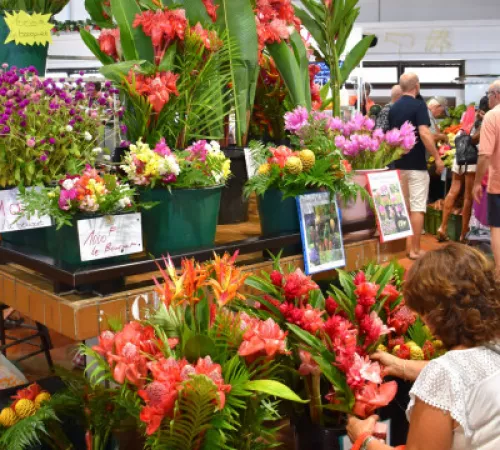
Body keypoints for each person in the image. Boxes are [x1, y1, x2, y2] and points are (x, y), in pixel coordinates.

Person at [347, 244, 500, 450]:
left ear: (436, 313)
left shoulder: (443, 376)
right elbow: (467, 374)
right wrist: (400, 365)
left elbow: (449, 378)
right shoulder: (491, 347)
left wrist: (364, 440)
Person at [389, 73, 444, 260]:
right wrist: (437, 158)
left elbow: (391, 138)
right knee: (418, 207)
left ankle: (399, 248)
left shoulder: (393, 108)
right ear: (416, 86)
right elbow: (424, 133)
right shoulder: (419, 105)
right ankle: (414, 249)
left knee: (403, 207)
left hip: (399, 164)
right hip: (416, 165)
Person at [437, 96, 490, 242]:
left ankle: (443, 226)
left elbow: (461, 131)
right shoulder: (487, 118)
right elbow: (475, 139)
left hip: (459, 157)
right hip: (472, 159)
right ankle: (463, 234)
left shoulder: (469, 113)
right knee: (468, 197)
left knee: (453, 190)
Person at [473, 80, 500, 276]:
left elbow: (484, 155)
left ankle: (499, 273)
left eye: (489, 94)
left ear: (496, 94)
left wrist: (476, 182)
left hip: (498, 183)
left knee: (497, 227)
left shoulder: (492, 116)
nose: (488, 98)